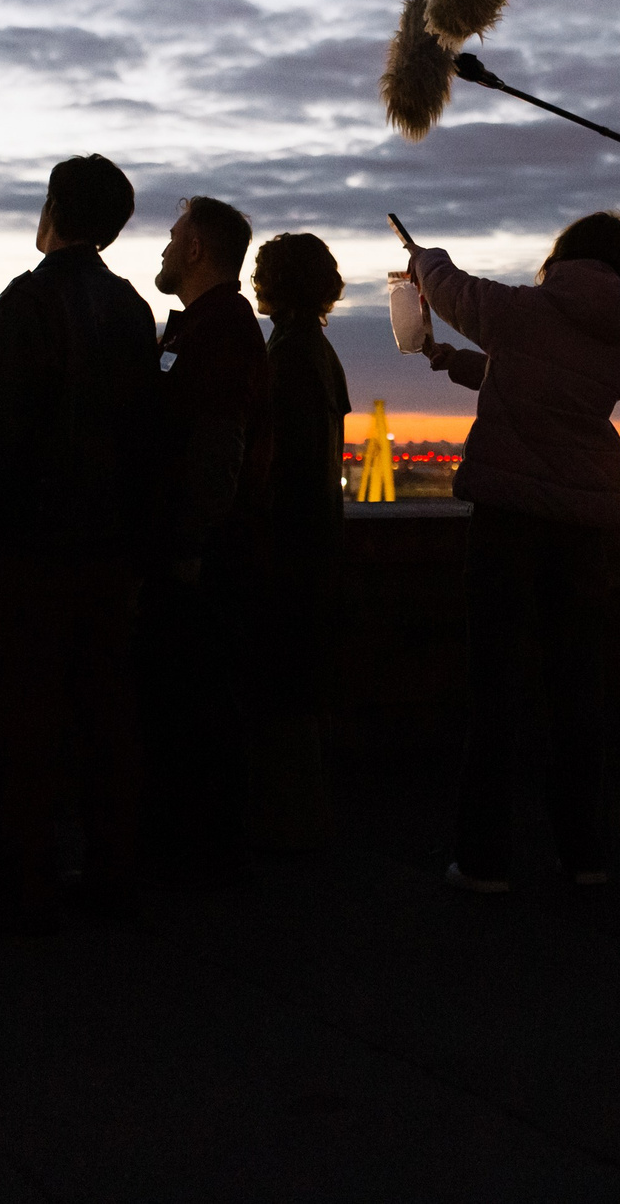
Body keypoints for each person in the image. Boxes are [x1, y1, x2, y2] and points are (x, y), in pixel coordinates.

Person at [0, 156, 160, 932]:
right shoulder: (132, 308)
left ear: (54, 209)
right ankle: (111, 874)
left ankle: (26, 881)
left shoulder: (28, 302)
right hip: (110, 548)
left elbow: (0, 437)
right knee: (108, 717)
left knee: (27, 721)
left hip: (35, 549)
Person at [410, 212, 620, 894]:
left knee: (496, 690)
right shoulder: (611, 330)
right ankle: (585, 853)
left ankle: (483, 859)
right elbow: (538, 377)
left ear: (562, 254)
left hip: (511, 519)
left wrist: (426, 257)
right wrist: (454, 363)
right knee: (576, 690)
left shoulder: (528, 309)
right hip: (583, 521)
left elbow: (458, 294)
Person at [143, 195, 272, 879]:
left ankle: (201, 852)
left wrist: (190, 542)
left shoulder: (216, 331)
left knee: (196, 703)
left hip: (203, 557)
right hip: (205, 548)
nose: (164, 249)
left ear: (196, 250)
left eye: (173, 238)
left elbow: (217, 447)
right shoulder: (211, 327)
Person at [249, 232, 352, 850]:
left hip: (288, 550)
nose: (255, 283)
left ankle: (289, 826)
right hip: (314, 546)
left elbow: (279, 460)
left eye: (263, 273)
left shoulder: (288, 354)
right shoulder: (316, 349)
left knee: (283, 693)